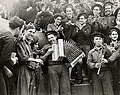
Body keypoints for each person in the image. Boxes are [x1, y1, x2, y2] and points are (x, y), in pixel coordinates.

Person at [44, 30, 71, 95]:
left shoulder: (63, 45)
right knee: (54, 88)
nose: (51, 39)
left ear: (56, 37)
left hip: (63, 67)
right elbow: (42, 58)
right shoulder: (46, 47)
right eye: (49, 38)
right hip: (52, 67)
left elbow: (71, 56)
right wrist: (47, 53)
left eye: (52, 37)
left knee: (65, 87)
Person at [0, 16, 22, 95]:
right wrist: (13, 61)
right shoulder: (9, 38)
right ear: (18, 29)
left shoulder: (2, 33)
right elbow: (4, 60)